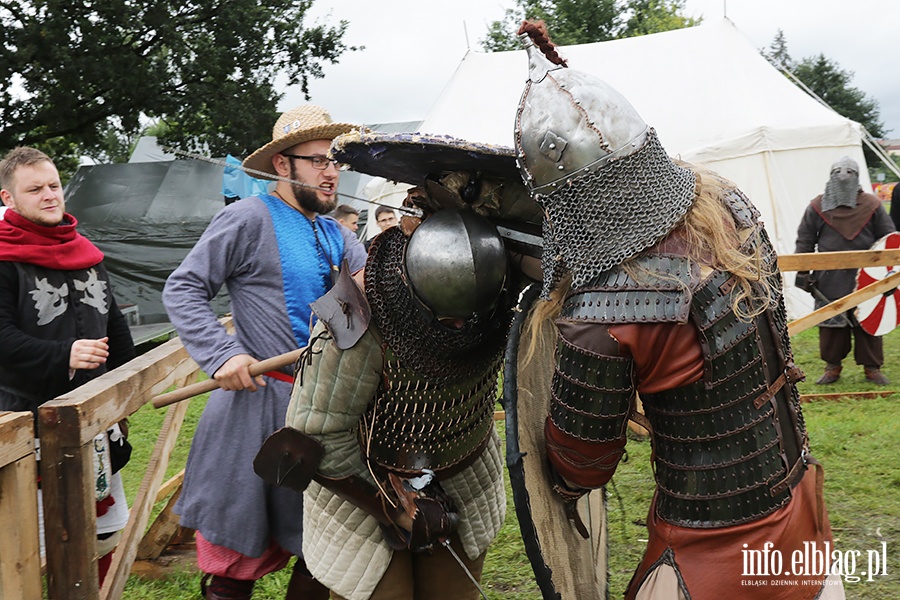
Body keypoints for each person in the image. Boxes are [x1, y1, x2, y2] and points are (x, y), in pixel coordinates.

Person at [513, 22, 843, 599]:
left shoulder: (602, 311)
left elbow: (581, 466)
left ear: (561, 199)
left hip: (709, 555)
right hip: (800, 514)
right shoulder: (728, 205)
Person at [163, 104, 367, 600]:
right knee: (236, 562)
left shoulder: (338, 234)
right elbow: (184, 287)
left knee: (329, 551)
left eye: (335, 161)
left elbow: (361, 306)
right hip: (256, 412)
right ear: (283, 165)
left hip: (326, 415)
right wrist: (221, 354)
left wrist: (382, 274)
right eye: (318, 160)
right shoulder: (247, 218)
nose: (331, 172)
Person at [268, 207, 511, 600]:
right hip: (361, 485)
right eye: (448, 320)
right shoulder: (355, 310)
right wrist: (394, 506)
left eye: (471, 318)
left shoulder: (501, 280)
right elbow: (315, 431)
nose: (462, 329)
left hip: (463, 469)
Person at [0, 146, 135, 586]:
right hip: (27, 420)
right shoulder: (4, 261)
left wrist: (128, 384)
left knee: (101, 531)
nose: (49, 195)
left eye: (54, 185)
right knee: (34, 546)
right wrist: (63, 354)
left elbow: (114, 325)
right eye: (34, 189)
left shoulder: (87, 252)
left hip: (94, 417)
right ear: (8, 199)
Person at [795, 156, 895, 385]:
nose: (843, 176)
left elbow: (889, 240)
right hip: (829, 277)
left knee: (868, 319)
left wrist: (889, 274)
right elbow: (805, 240)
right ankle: (833, 367)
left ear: (857, 176)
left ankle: (872, 368)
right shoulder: (817, 206)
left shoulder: (872, 205)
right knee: (831, 323)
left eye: (849, 172)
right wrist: (803, 273)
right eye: (838, 171)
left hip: (869, 275)